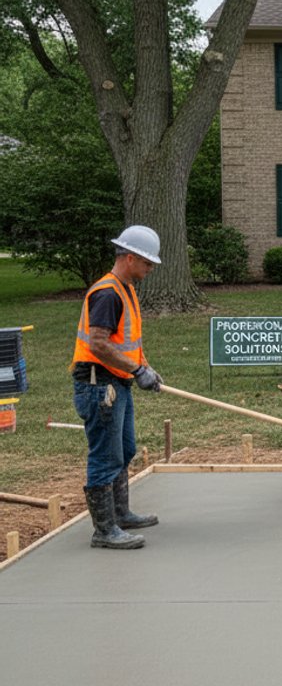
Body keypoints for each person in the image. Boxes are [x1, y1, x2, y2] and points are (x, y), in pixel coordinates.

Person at [72, 225, 164, 550]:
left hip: (119, 382)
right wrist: (137, 370)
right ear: (129, 258)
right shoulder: (108, 293)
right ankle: (104, 530)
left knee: (124, 451)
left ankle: (121, 514)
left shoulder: (126, 289)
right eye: (147, 263)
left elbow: (128, 343)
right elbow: (98, 344)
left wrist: (145, 366)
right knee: (105, 456)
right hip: (99, 385)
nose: (149, 269)